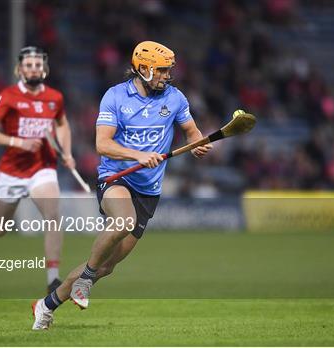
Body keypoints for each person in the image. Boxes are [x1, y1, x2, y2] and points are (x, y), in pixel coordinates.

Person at [31, 41, 212, 330]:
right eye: (162, 70)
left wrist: (197, 145)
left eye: (168, 70)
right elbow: (102, 144)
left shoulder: (175, 98)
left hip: (148, 191)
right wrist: (138, 155)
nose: (167, 75)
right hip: (116, 179)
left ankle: (46, 305)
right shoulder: (115, 97)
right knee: (123, 221)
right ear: (144, 69)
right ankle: (86, 281)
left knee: (106, 266)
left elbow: (192, 132)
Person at [0, 46, 76, 293]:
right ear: (20, 69)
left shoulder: (54, 97)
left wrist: (67, 152)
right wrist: (18, 142)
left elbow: (62, 124)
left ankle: (53, 278)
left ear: (45, 69)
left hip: (42, 167)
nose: (34, 69)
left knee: (53, 216)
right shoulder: (7, 96)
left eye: (38, 65)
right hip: (12, 171)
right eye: (29, 65)